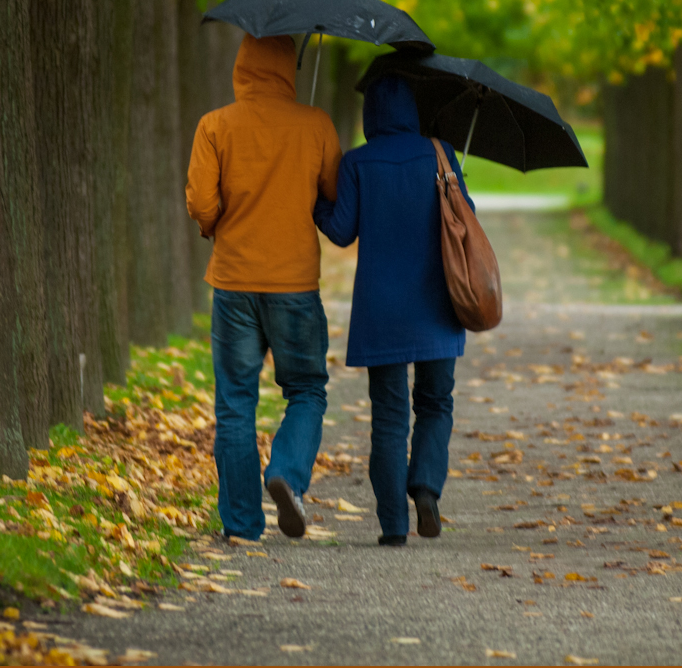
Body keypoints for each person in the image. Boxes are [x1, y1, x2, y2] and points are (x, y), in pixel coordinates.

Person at [186, 34, 342, 541]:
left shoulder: (214, 125)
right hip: (294, 284)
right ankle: (287, 475)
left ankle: (241, 525)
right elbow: (334, 195)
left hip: (233, 283)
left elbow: (202, 205)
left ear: (243, 67)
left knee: (235, 402)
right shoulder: (316, 123)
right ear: (287, 70)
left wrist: (217, 228)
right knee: (306, 391)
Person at [314, 73, 472, 546]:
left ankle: (393, 526)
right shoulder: (440, 153)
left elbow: (341, 231)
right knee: (436, 402)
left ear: (370, 116)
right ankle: (424, 487)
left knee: (387, 417)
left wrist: (317, 202)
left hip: (381, 311)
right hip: (439, 305)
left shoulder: (358, 162)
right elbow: (467, 221)